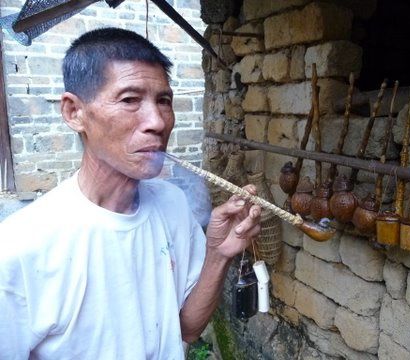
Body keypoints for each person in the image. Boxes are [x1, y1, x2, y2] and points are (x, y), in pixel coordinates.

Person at [0, 27, 261, 359]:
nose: (157, 121)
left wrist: (218, 253)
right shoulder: (18, 249)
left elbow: (186, 329)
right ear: (74, 112)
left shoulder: (172, 204)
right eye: (129, 100)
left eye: (164, 101)